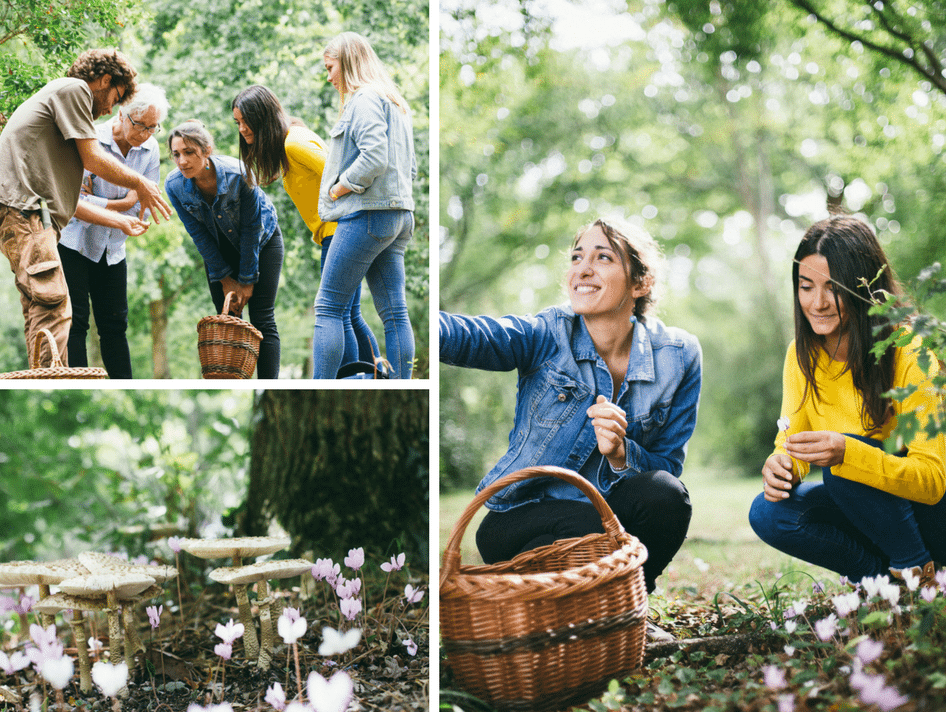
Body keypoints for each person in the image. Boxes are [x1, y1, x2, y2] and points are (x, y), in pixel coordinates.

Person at [440, 216, 702, 626]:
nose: (582, 269)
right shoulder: (548, 333)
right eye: (577, 257)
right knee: (590, 532)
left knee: (666, 494)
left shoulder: (680, 355)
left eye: (603, 258)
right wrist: (416, 320)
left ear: (640, 283)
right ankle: (598, 613)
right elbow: (476, 336)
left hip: (605, 517)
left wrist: (621, 454)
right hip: (520, 517)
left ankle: (628, 610)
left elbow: (667, 465)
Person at [749, 215, 946, 587]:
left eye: (833, 288)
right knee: (768, 513)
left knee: (842, 469)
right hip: (865, 508)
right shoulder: (801, 355)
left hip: (930, 515)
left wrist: (848, 452)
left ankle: (917, 569)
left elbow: (933, 481)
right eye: (806, 287)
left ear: (863, 287)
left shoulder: (909, 350)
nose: (818, 303)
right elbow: (792, 440)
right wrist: (782, 465)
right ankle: (880, 584)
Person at [0, 48, 171, 368]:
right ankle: (57, 382)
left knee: (40, 308)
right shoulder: (75, 90)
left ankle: (44, 378)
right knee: (55, 307)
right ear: (105, 80)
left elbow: (73, 201)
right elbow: (94, 159)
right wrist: (140, 184)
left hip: (28, 211)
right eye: (116, 97)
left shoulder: (64, 104)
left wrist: (120, 218)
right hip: (24, 209)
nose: (112, 108)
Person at [232, 84, 381, 373]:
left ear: (263, 116)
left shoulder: (294, 144)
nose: (242, 129)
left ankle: (350, 379)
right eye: (237, 122)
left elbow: (344, 175)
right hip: (338, 232)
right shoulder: (291, 141)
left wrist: (354, 222)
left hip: (340, 231)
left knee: (335, 313)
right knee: (349, 314)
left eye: (246, 121)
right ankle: (376, 374)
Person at [314, 32, 417, 379]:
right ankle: (401, 385)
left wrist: (339, 188)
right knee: (395, 314)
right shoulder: (395, 103)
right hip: (400, 216)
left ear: (348, 62)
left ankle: (321, 387)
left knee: (328, 307)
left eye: (330, 68)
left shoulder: (364, 99)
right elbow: (410, 167)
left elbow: (374, 156)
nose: (329, 77)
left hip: (368, 214)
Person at [57, 83, 170, 378]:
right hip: (75, 243)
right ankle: (78, 386)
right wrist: (121, 204)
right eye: (140, 125)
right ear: (122, 114)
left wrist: (105, 205)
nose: (144, 134)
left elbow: (142, 206)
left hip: (113, 249)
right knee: (76, 322)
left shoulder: (151, 149)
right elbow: (72, 201)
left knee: (115, 326)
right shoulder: (90, 140)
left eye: (152, 128)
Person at [164, 120, 284, 378]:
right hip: (219, 251)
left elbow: (252, 228)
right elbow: (198, 234)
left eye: (189, 152)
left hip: (262, 241)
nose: (182, 161)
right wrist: (225, 279)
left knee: (262, 318)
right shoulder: (174, 185)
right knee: (227, 320)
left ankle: (267, 385)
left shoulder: (239, 174)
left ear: (206, 150)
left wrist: (247, 280)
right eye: (176, 154)